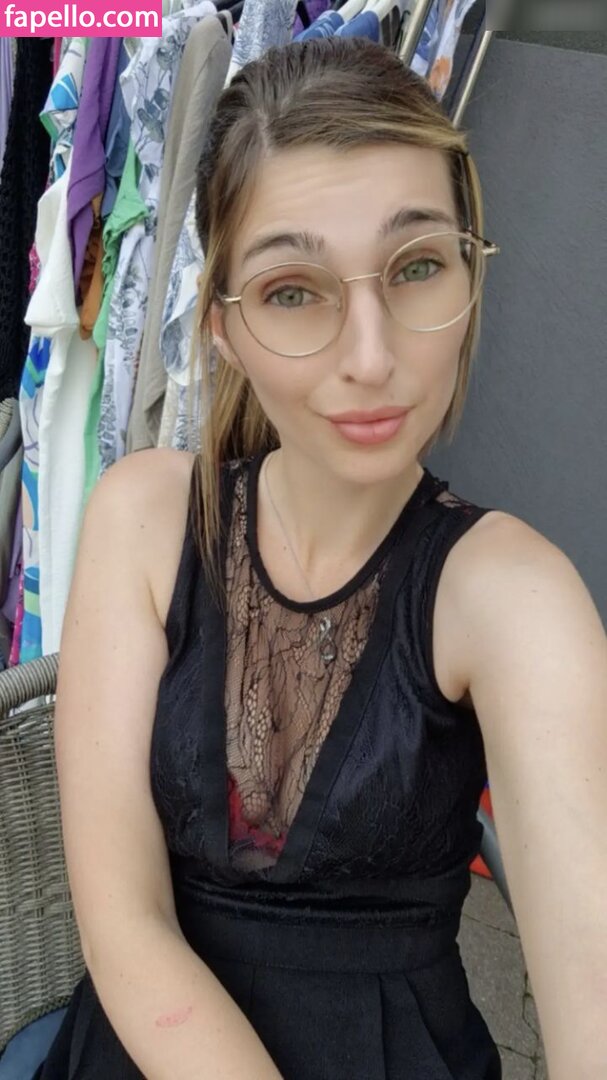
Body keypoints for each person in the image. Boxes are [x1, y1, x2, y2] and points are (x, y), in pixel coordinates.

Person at [35, 36, 607, 1080]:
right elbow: (122, 920)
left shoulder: (512, 597)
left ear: (469, 273)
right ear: (222, 327)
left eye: (417, 267)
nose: (372, 356)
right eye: (294, 289)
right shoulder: (148, 518)